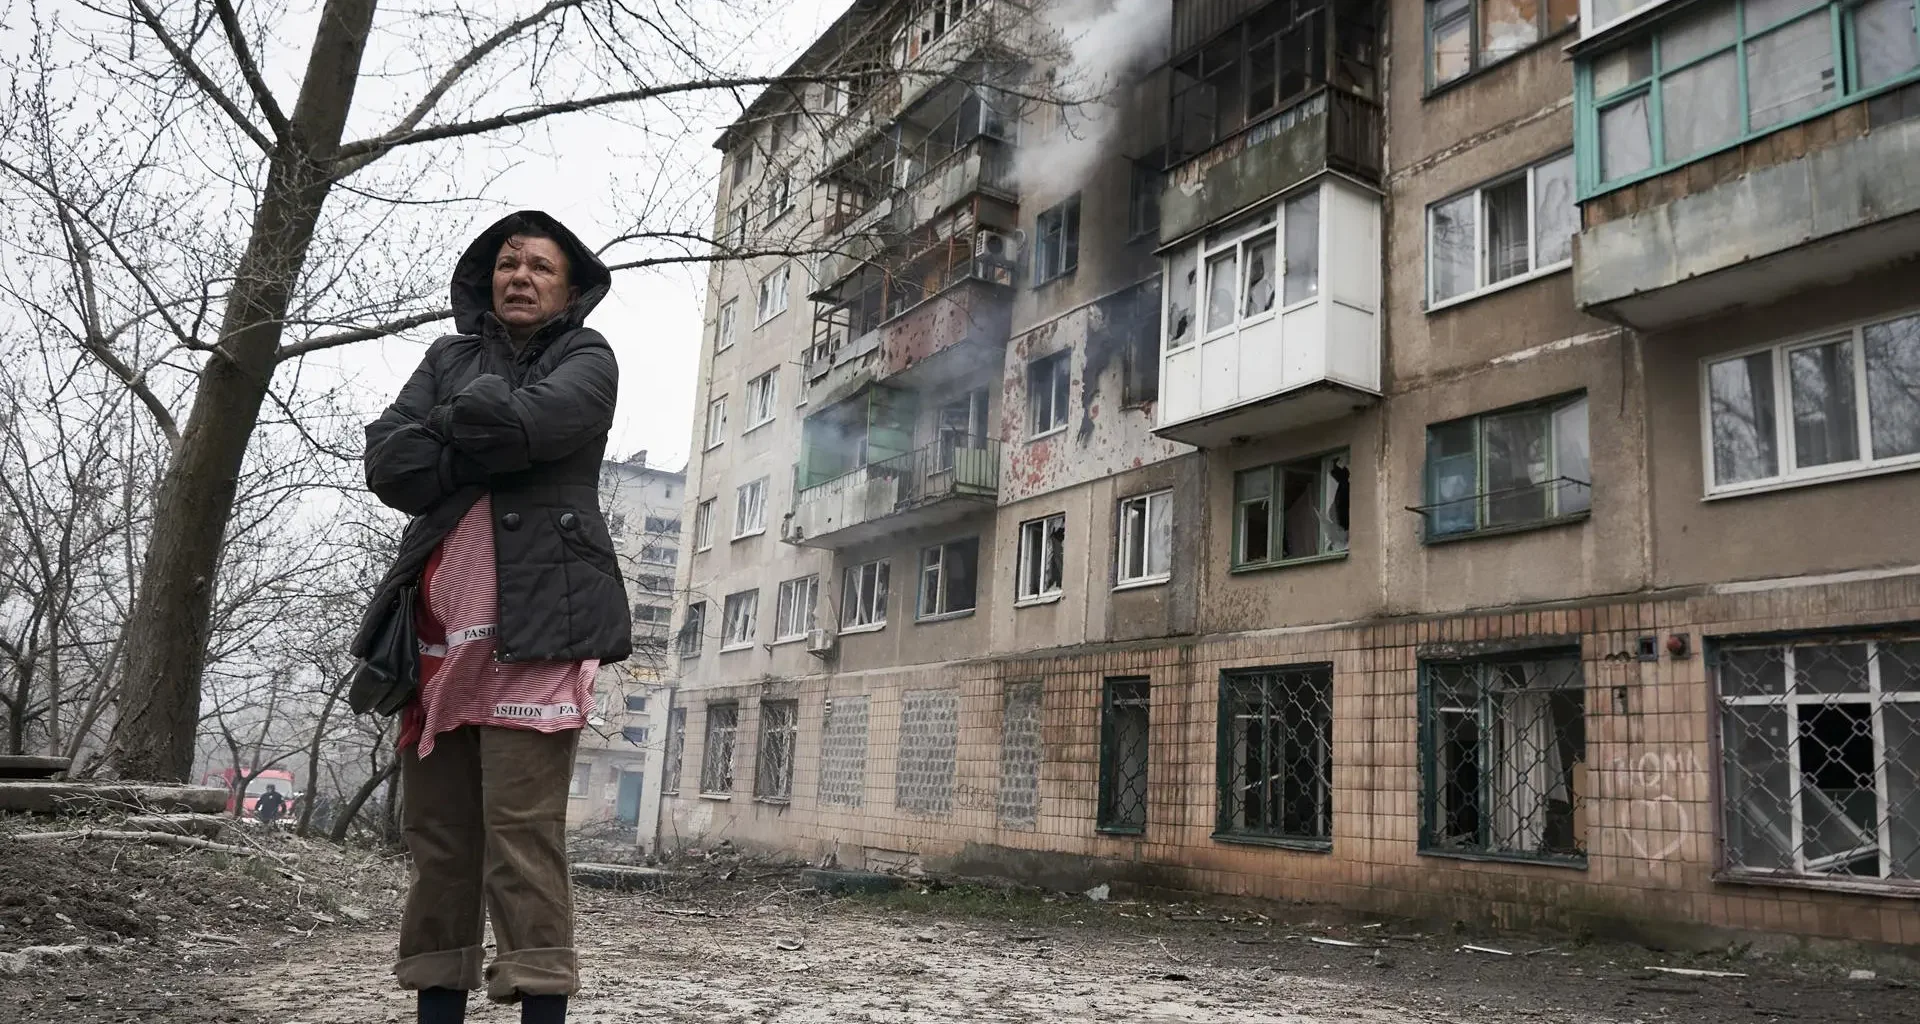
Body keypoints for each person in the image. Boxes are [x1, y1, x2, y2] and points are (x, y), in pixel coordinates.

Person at [353, 211, 630, 1024]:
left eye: (540, 266)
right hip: (437, 635)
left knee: (522, 834)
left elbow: (532, 425)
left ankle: (540, 1009)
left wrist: (449, 426)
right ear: (487, 279)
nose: (520, 276)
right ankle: (437, 1011)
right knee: (440, 840)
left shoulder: (588, 355)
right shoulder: (447, 356)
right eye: (508, 264)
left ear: (569, 289)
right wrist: (476, 425)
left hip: (542, 627)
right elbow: (390, 463)